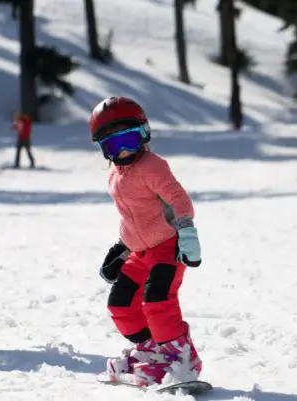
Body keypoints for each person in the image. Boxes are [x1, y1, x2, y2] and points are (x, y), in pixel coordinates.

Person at [90, 96, 203, 387]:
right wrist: (121, 247)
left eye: (130, 138)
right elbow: (133, 215)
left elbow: (179, 199)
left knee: (157, 300)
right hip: (139, 250)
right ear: (104, 150)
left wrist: (187, 231)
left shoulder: (152, 165)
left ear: (145, 134)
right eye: (114, 145)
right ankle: (154, 350)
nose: (125, 149)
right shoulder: (115, 174)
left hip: (167, 244)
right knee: (122, 305)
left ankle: (181, 358)